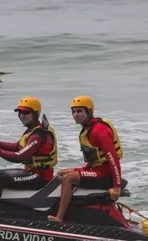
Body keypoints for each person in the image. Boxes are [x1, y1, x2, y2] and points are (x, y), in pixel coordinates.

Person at [48, 95, 124, 223]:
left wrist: (117, 187)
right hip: (96, 169)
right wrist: (84, 169)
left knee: (69, 178)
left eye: (79, 111)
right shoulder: (87, 130)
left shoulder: (98, 131)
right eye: (73, 112)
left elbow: (113, 159)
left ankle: (59, 217)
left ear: (89, 111)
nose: (75, 115)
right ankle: (71, 208)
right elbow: (93, 157)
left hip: (105, 174)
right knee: (61, 173)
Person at [0, 97, 58, 215]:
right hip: (32, 172)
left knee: (0, 180)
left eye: (26, 112)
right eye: (20, 113)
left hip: (40, 177)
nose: (22, 115)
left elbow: (20, 156)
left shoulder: (38, 135)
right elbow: (15, 146)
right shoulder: (30, 131)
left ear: (35, 114)